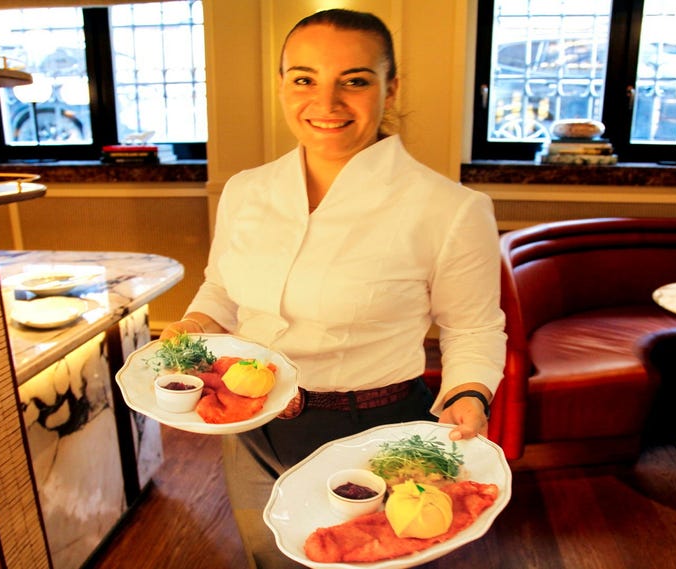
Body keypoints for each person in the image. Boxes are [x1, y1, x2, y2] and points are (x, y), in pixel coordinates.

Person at [160, 9, 505, 568]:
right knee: (266, 554)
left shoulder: (450, 210)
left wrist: (470, 393)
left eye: (355, 80)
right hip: (249, 424)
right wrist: (192, 327)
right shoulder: (245, 192)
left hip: (372, 433)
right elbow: (221, 287)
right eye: (304, 79)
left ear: (390, 88)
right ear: (282, 85)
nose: (326, 102)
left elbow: (473, 326)